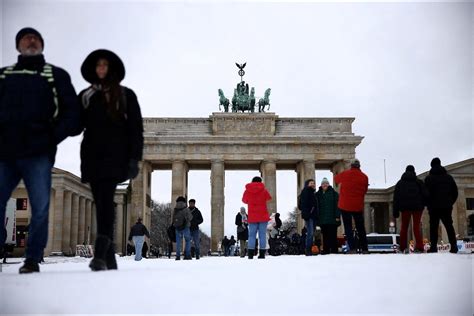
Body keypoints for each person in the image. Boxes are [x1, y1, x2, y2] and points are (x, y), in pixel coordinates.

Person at [0, 27, 81, 273]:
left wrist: (50, 138)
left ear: (42, 45)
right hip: (4, 152)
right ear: (18, 46)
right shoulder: (3, 75)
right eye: (26, 37)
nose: (31, 41)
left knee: (41, 206)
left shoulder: (55, 75)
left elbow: (73, 115)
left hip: (38, 152)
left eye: (35, 38)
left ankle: (33, 258)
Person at [78, 49, 144, 271]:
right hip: (92, 156)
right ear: (93, 70)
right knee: (101, 202)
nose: (102, 69)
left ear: (112, 69)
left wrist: (135, 158)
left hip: (115, 157)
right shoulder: (86, 95)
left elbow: (136, 129)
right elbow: (75, 124)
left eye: (105, 65)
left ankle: (98, 254)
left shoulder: (126, 95)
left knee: (106, 201)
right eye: (98, 65)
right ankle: (110, 256)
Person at [334, 159, 369, 254]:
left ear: (351, 166)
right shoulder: (364, 177)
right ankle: (365, 248)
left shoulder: (345, 174)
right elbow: (365, 190)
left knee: (348, 227)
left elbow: (336, 179)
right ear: (359, 166)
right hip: (357, 205)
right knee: (361, 228)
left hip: (345, 205)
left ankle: (352, 248)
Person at [424, 158, 459, 253]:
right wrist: (450, 202)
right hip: (446, 206)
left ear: (431, 166)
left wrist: (428, 204)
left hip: (433, 207)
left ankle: (433, 247)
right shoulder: (448, 177)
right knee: (449, 226)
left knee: (433, 228)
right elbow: (455, 192)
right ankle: (454, 246)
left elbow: (425, 194)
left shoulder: (428, 178)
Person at [392, 165, 428, 253]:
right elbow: (426, 194)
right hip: (417, 208)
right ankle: (419, 247)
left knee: (404, 227)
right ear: (414, 171)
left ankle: (403, 247)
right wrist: (424, 204)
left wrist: (395, 211)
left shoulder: (400, 183)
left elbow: (396, 198)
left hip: (405, 208)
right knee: (416, 227)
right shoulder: (419, 182)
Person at [242, 176, 272, 259]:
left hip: (252, 216)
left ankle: (250, 254)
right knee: (262, 235)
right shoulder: (264, 190)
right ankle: (262, 254)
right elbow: (269, 198)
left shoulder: (247, 191)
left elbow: (244, 200)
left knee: (251, 235)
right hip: (263, 215)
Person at [316, 177, 341, 254]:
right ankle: (326, 250)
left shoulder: (334, 194)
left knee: (333, 235)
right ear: (321, 185)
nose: (325, 185)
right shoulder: (317, 194)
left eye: (326, 183)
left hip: (332, 219)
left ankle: (334, 250)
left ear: (328, 184)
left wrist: (337, 216)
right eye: (323, 184)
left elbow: (338, 206)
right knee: (325, 236)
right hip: (323, 219)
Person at [299, 179, 319, 256]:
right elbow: (302, 205)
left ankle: (310, 249)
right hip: (309, 215)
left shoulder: (312, 192)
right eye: (311, 183)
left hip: (313, 215)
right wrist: (307, 213)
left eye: (313, 183)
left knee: (312, 232)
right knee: (310, 233)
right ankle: (308, 250)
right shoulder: (306, 192)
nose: (313, 184)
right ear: (307, 184)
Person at [172, 196, 192, 260]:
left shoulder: (175, 209)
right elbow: (190, 217)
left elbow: (173, 219)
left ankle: (178, 256)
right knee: (188, 241)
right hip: (186, 227)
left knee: (178, 242)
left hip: (177, 228)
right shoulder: (186, 209)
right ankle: (187, 255)